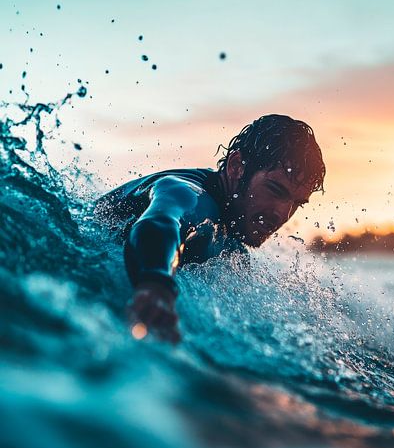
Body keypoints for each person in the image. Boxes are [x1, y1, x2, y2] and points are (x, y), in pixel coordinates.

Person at [95, 114, 326, 342]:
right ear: (237, 167)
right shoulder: (188, 193)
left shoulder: (233, 245)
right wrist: (155, 285)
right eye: (275, 190)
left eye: (297, 203)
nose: (283, 214)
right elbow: (158, 223)